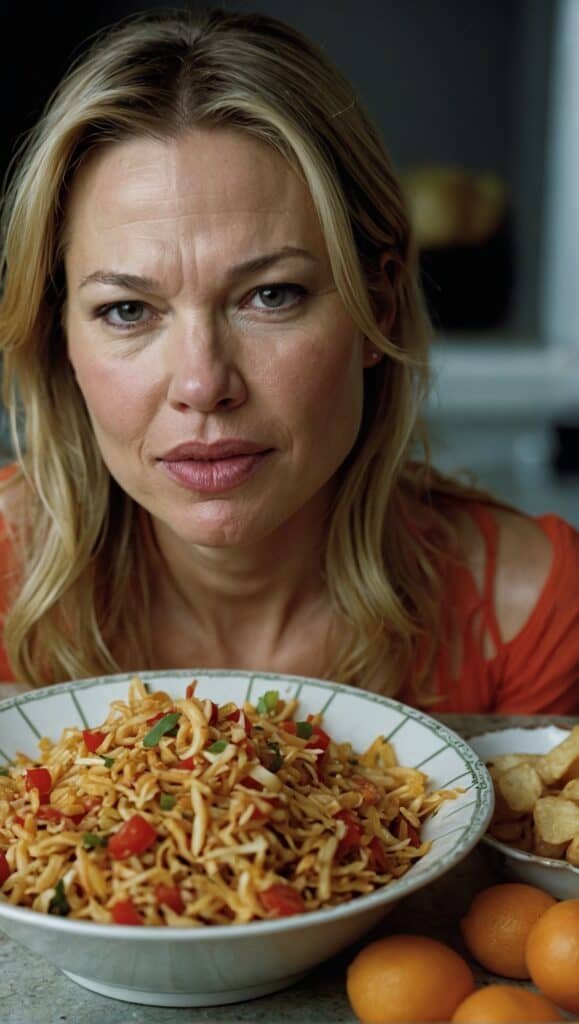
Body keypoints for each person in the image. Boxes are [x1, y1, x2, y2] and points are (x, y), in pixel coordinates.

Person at [0, 8, 577, 714]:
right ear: (60, 337)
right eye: (127, 310)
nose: (203, 383)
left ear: (379, 306)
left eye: (270, 296)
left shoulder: (531, 612)